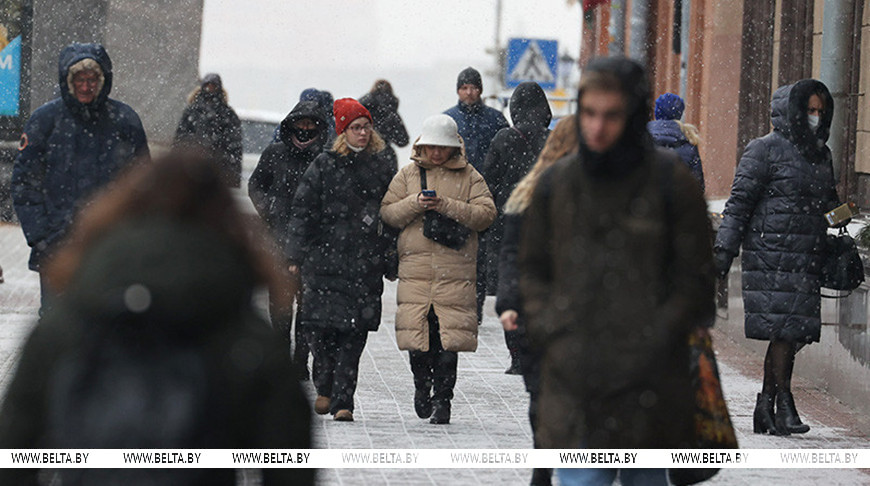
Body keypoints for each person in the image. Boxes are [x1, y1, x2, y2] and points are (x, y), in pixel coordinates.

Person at [0, 151, 313, 485]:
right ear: (226, 221)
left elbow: (14, 450)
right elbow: (290, 466)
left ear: (122, 211)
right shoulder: (246, 340)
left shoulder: (70, 325)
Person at [519, 57, 715, 486]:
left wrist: (655, 334)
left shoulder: (670, 182)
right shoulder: (558, 184)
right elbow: (532, 269)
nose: (598, 127)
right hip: (578, 380)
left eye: (611, 115)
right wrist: (554, 326)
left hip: (650, 383)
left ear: (633, 114)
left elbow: (696, 280)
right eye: (589, 113)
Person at [714, 79, 840, 437]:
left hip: (805, 255)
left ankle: (767, 406)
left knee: (792, 332)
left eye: (821, 111)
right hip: (772, 255)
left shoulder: (820, 153)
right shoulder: (764, 149)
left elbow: (828, 205)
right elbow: (738, 205)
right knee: (785, 332)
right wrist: (723, 251)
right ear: (794, 111)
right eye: (809, 110)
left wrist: (843, 215)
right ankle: (781, 404)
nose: (815, 117)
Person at [11, 42, 149, 315]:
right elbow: (25, 183)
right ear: (67, 81)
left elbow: (143, 186)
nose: (86, 86)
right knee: (58, 326)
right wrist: (43, 237)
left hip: (112, 251)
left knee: (110, 328)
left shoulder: (124, 121)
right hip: (57, 250)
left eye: (92, 79)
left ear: (104, 80)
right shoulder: (45, 121)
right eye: (79, 79)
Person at [381, 114, 496, 425]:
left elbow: (486, 214)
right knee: (418, 340)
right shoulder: (407, 175)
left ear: (453, 147)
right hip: (416, 272)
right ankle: (422, 387)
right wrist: (415, 204)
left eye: (442, 148)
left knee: (448, 342)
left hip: (454, 272)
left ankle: (443, 399)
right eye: (431, 147)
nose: (436, 154)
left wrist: (446, 205)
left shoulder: (470, 177)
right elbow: (388, 213)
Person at [285, 98, 395, 422]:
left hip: (364, 264)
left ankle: (344, 400)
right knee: (321, 334)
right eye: (356, 127)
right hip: (324, 262)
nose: (362, 133)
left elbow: (390, 217)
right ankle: (325, 386)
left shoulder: (380, 166)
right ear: (342, 131)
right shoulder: (323, 165)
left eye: (366, 127)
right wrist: (295, 254)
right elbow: (303, 211)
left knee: (354, 335)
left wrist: (390, 256)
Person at [496, 115, 577, 486]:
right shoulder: (529, 194)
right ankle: (545, 465)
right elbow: (512, 254)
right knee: (544, 392)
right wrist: (508, 302)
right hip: (544, 310)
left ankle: (551, 464)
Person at [249, 100, 328, 381]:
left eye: (311, 125)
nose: (305, 130)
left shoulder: (324, 158)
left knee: (307, 310)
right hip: (278, 239)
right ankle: (281, 357)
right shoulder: (275, 153)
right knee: (280, 306)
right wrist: (268, 206)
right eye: (300, 124)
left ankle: (300, 360)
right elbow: (256, 184)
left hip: (313, 244)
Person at [482, 81, 552, 374]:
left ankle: (516, 354)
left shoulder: (503, 139)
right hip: (544, 226)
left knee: (511, 289)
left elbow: (489, 180)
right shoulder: (552, 140)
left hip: (508, 224)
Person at [444, 66, 509, 325]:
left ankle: (477, 305)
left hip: (485, 195)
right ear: (458, 90)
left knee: (480, 257)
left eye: (473, 87)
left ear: (480, 89)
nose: (469, 92)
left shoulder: (495, 120)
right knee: (456, 253)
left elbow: (505, 158)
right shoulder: (448, 121)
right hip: (455, 195)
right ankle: (456, 304)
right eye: (464, 87)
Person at [174, 73, 243, 187]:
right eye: (208, 86)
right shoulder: (193, 111)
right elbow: (180, 140)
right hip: (192, 168)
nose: (210, 89)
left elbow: (234, 148)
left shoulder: (227, 114)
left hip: (216, 170)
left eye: (213, 86)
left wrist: (232, 177)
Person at [647, 92, 705, 191]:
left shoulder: (642, 140)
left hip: (646, 204)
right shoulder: (689, 142)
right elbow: (698, 186)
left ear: (656, 112)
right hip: (680, 203)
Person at [360, 79, 409, 173]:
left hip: (362, 156)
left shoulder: (361, 110)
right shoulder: (390, 113)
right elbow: (403, 140)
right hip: (385, 159)